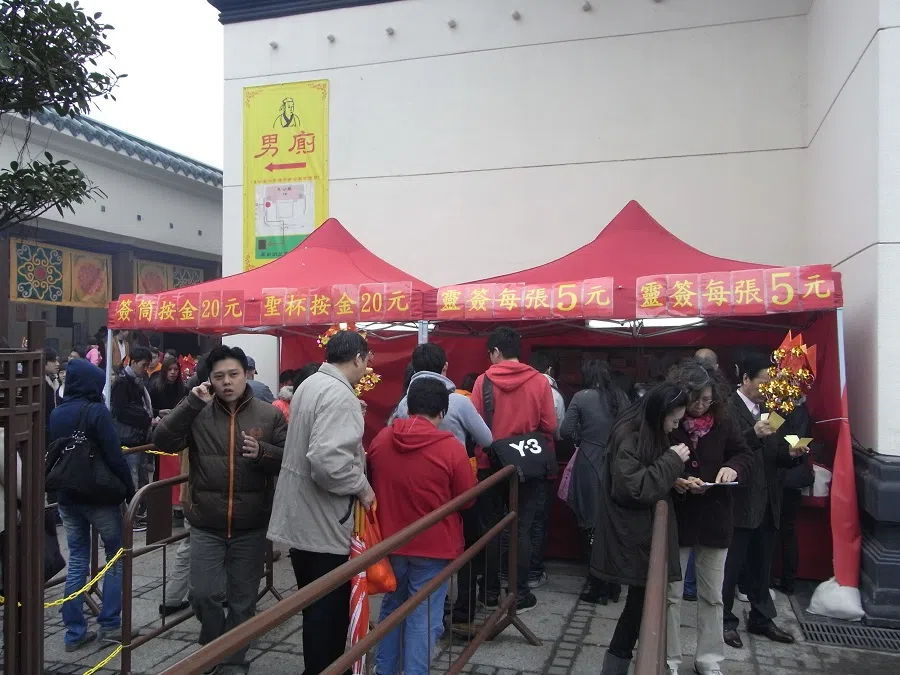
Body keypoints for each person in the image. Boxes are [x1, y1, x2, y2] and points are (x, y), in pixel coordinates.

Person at [153, 346, 286, 673]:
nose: (227, 382)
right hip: (206, 524)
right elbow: (162, 441)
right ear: (209, 380)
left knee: (243, 602)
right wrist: (191, 402)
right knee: (203, 595)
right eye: (219, 376)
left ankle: (233, 661)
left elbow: (287, 459)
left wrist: (263, 453)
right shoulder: (198, 411)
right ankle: (214, 643)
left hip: (250, 525)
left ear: (246, 376)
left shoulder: (269, 415)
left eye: (233, 374)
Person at [268, 330, 375, 675]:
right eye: (367, 359)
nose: (367, 366)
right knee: (328, 614)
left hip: (301, 517)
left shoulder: (311, 383)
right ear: (357, 357)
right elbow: (328, 463)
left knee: (314, 608)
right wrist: (362, 485)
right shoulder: (339, 394)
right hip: (324, 522)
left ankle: (316, 667)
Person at [369, 378, 477, 675]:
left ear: (408, 406)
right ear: (442, 412)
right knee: (424, 617)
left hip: (390, 542)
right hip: (435, 546)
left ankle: (385, 669)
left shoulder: (381, 439)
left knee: (393, 608)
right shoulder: (451, 448)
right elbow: (466, 500)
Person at [593, 383, 691, 675]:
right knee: (638, 606)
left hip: (638, 530)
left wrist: (672, 480)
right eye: (674, 420)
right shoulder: (630, 435)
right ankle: (616, 666)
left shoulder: (643, 430)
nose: (675, 427)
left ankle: (616, 665)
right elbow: (633, 487)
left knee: (638, 606)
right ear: (659, 413)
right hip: (632, 532)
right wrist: (672, 462)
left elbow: (643, 474)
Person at [665, 360, 754, 675]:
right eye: (696, 399)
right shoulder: (670, 422)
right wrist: (675, 480)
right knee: (671, 595)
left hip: (715, 516)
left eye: (707, 399)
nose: (702, 406)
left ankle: (709, 659)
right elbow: (654, 460)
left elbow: (743, 454)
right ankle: (669, 659)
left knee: (713, 595)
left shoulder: (724, 422)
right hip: (678, 517)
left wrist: (734, 468)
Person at [49, 359, 136, 651]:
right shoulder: (96, 411)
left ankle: (74, 632)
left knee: (77, 560)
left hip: (67, 496)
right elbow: (114, 455)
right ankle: (110, 625)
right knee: (114, 556)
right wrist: (129, 489)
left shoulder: (57, 413)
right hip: (99, 496)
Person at [469, 326, 557, 613]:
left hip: (490, 465)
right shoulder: (540, 382)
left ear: (495, 351)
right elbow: (551, 427)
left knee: (491, 530)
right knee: (520, 528)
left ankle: (491, 593)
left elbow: (476, 426)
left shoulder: (482, 381)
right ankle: (517, 596)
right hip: (527, 468)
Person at [723, 351, 804, 649]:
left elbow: (776, 452)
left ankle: (761, 617)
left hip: (770, 500)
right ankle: (724, 621)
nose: (768, 388)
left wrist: (792, 455)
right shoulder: (726, 408)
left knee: (762, 565)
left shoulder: (771, 408)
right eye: (763, 382)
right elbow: (724, 451)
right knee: (731, 566)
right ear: (745, 379)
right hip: (740, 500)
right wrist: (752, 433)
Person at [560, 359, 630, 605]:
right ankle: (613, 585)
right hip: (617, 465)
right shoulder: (621, 397)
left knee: (590, 525)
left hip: (589, 462)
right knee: (611, 525)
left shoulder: (581, 397)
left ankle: (596, 584)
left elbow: (565, 430)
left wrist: (583, 437)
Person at [394, 344, 492, 450]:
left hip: (415, 465)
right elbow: (486, 440)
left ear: (414, 369)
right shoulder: (460, 402)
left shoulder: (404, 403)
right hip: (452, 464)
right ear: (445, 366)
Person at [111, 346, 154, 531]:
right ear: (133, 362)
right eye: (143, 365)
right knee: (132, 479)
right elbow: (122, 411)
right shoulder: (122, 383)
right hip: (128, 439)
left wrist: (155, 414)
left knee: (142, 478)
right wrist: (148, 419)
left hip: (140, 437)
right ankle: (130, 518)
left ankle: (138, 514)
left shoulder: (138, 382)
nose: (145, 369)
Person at [44, 347, 61, 431]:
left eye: (58, 361)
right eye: (54, 361)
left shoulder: (56, 380)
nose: (57, 364)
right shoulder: (39, 383)